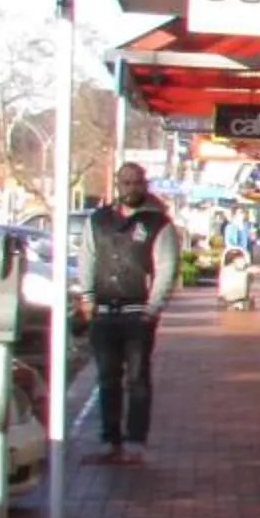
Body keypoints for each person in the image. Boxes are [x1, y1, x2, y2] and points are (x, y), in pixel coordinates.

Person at [82, 163, 179, 466]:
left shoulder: (157, 223)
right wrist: (87, 297)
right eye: (125, 183)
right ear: (117, 184)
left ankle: (135, 442)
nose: (131, 188)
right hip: (105, 311)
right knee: (107, 379)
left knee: (137, 378)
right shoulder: (98, 221)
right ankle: (111, 441)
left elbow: (166, 266)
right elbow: (87, 258)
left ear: (144, 184)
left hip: (138, 312)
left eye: (136, 182)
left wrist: (153, 307)